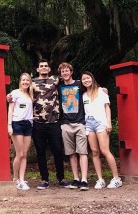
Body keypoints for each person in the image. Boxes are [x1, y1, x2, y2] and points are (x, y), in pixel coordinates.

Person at [8, 59, 69, 189]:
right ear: (37, 69)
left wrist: (99, 88)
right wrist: (9, 97)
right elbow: (20, 92)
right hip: (37, 123)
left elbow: (71, 83)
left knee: (58, 150)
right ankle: (44, 179)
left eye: (46, 66)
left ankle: (61, 178)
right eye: (41, 66)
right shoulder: (32, 83)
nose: (43, 68)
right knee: (40, 152)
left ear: (49, 68)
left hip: (54, 122)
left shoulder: (56, 80)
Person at [81, 70, 123, 189]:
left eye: (88, 78)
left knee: (105, 150)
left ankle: (116, 178)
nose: (86, 80)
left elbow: (107, 107)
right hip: (89, 123)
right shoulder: (84, 96)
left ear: (92, 79)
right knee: (94, 152)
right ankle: (100, 179)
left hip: (101, 122)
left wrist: (108, 122)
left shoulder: (101, 91)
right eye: (84, 79)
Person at [58, 62, 89, 191]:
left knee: (82, 152)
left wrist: (103, 89)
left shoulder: (79, 84)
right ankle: (76, 179)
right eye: (63, 71)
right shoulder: (58, 87)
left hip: (80, 122)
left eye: (67, 71)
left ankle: (84, 180)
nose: (65, 73)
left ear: (71, 72)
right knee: (71, 153)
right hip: (66, 124)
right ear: (61, 74)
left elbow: (91, 87)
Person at [8, 72, 34, 190]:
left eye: (27, 80)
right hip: (17, 123)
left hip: (28, 124)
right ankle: (15, 178)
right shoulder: (15, 93)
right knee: (19, 154)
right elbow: (10, 109)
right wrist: (9, 125)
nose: (25, 82)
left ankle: (22, 179)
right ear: (20, 81)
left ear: (30, 82)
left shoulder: (30, 94)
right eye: (23, 80)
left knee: (25, 154)